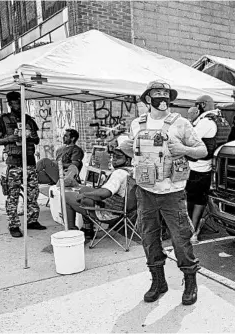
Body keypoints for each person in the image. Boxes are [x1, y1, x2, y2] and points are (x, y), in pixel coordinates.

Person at [131, 81, 208, 306]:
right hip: (145, 190)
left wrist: (184, 150)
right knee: (149, 237)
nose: (162, 97)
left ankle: (190, 281)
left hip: (172, 193)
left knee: (180, 238)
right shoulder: (137, 123)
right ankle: (158, 282)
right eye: (157, 93)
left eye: (166, 93)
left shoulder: (180, 123)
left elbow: (202, 150)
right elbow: (133, 150)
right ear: (148, 99)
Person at [0, 91, 46, 237]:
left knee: (32, 193)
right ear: (10, 104)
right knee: (13, 195)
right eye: (16, 102)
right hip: (14, 161)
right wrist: (10, 138)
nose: (19, 105)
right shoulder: (2, 119)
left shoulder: (28, 119)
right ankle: (14, 224)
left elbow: (36, 140)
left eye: (20, 102)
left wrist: (31, 135)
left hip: (29, 161)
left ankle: (32, 220)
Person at [186, 95, 231, 243]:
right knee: (200, 199)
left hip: (197, 167)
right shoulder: (221, 119)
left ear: (202, 105)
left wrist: (191, 119)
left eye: (195, 104)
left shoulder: (205, 122)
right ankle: (195, 228)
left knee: (194, 199)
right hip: (210, 167)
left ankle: (193, 230)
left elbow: (189, 140)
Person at [64, 141, 133, 232]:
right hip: (125, 209)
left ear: (128, 160)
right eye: (114, 157)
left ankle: (72, 231)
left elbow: (104, 193)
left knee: (66, 196)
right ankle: (87, 228)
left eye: (118, 157)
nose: (114, 160)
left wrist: (85, 195)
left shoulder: (119, 173)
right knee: (84, 188)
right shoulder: (133, 171)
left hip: (109, 213)